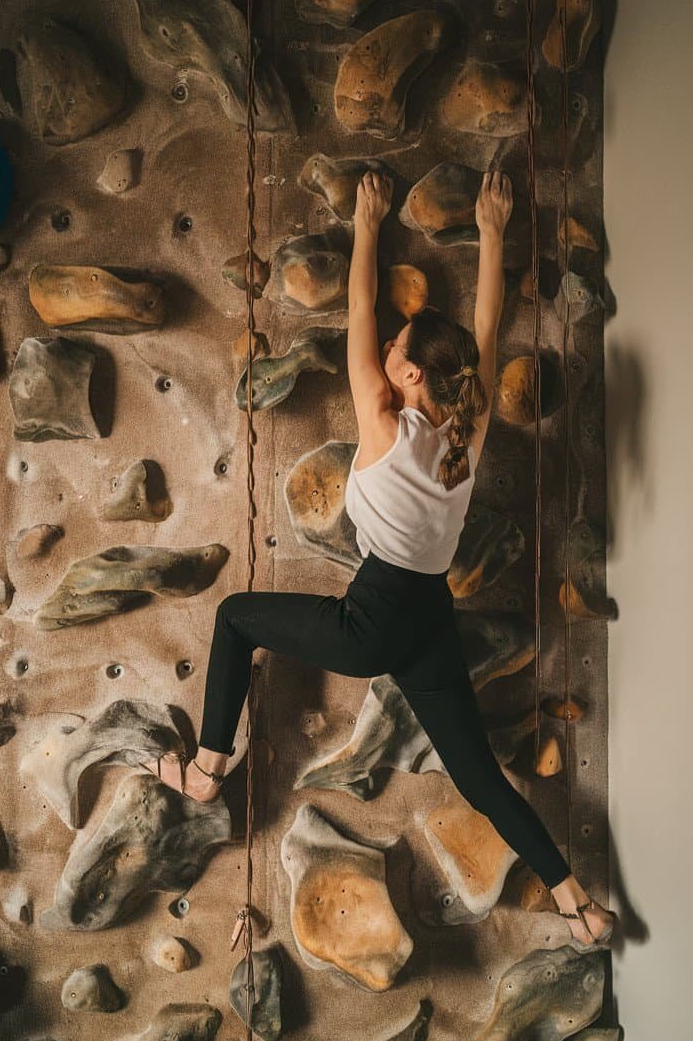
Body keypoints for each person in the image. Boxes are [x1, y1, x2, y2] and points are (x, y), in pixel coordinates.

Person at [140, 169, 616, 951]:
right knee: (482, 780)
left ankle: (205, 769)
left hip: (376, 624)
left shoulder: (384, 421)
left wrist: (367, 223)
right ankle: (579, 906)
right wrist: (493, 235)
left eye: (398, 350)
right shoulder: (469, 426)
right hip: (427, 619)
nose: (386, 349)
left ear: (411, 375)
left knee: (233, 618)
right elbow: (487, 332)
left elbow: (362, 306)